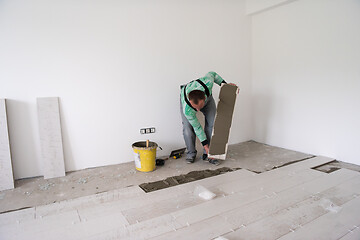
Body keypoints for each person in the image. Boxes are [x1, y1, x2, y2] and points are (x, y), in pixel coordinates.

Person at [180, 71, 237, 165]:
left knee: (212, 124)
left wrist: (226, 86)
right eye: (195, 107)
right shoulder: (188, 109)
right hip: (186, 97)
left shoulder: (208, 83)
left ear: (204, 98)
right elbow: (197, 128)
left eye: (200, 107)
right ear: (190, 102)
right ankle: (191, 153)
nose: (198, 110)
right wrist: (206, 146)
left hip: (206, 98)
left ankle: (209, 154)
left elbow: (213, 74)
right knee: (188, 128)